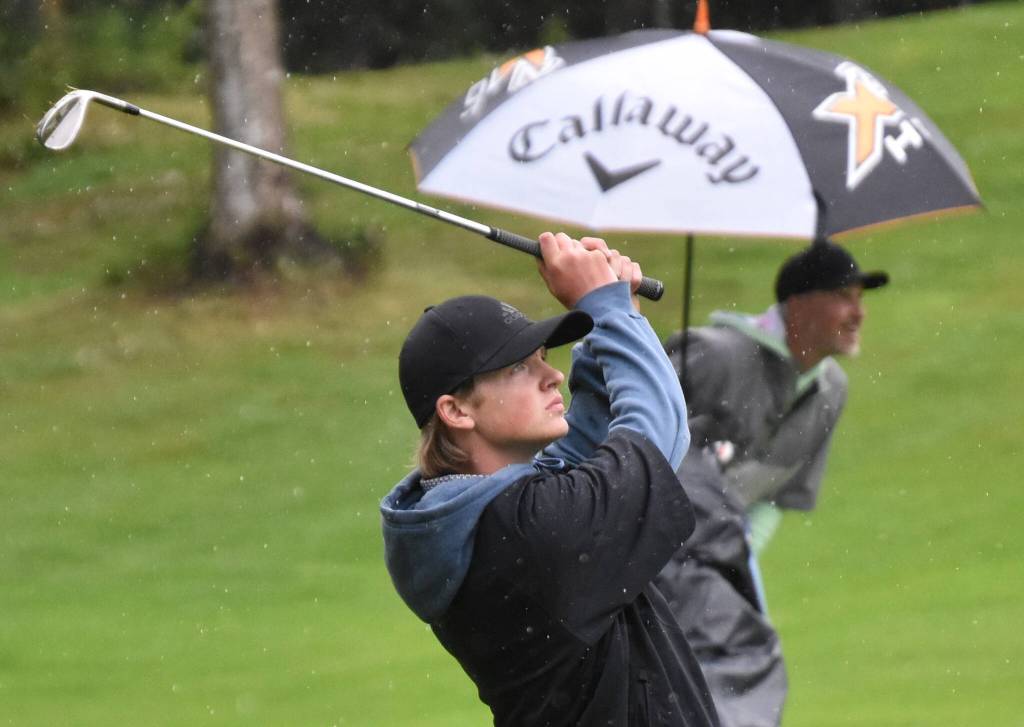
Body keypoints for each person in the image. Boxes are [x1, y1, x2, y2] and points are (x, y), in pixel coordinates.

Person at [381, 232, 720, 726]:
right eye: (520, 365)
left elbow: (595, 441)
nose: (552, 376)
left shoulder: (493, 518)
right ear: (456, 410)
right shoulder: (526, 528)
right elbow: (658, 437)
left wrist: (615, 310)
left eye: (544, 357)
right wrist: (606, 308)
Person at [654, 239, 889, 727]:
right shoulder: (713, 355)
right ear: (799, 305)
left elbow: (772, 500)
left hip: (712, 563)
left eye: (860, 300)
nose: (858, 313)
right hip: (641, 551)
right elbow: (622, 442)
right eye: (845, 297)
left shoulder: (831, 392)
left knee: (739, 669)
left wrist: (731, 568)